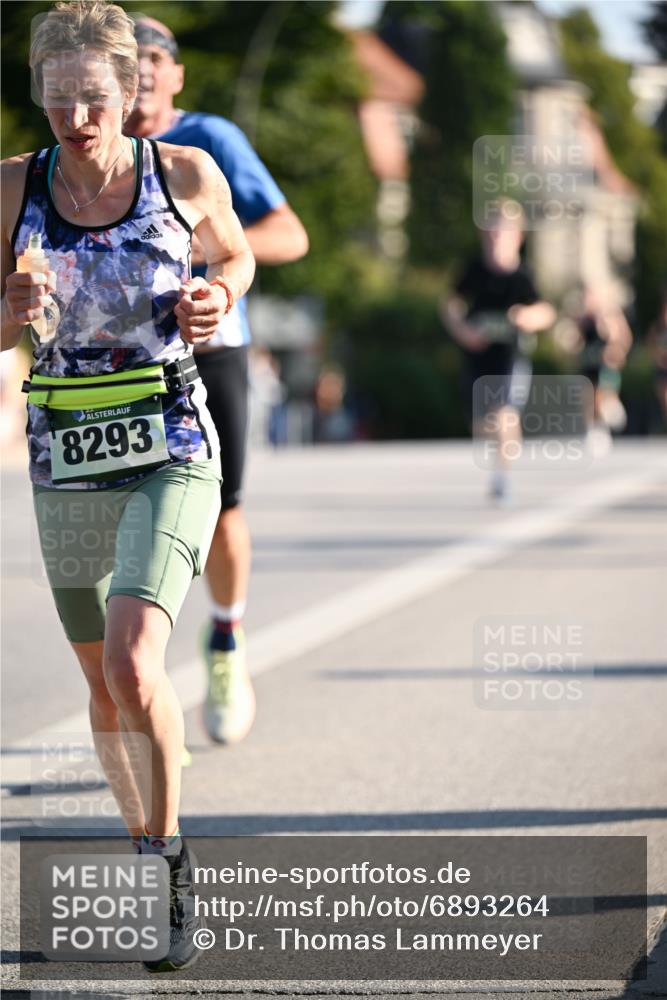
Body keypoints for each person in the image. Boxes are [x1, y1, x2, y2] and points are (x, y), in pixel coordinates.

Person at [0, 0, 255, 972]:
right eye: (57, 98)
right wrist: (9, 309)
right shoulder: (12, 187)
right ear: (41, 93)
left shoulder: (180, 171)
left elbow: (231, 250)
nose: (76, 117)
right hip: (64, 452)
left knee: (132, 663)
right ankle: (140, 831)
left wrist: (217, 291)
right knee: (99, 689)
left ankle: (163, 854)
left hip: (168, 438)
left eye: (93, 97)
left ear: (129, 87)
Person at [124, 16, 309, 745]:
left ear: (174, 75)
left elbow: (289, 235)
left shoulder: (210, 140)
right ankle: (141, 682)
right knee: (126, 516)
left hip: (212, 344)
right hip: (119, 355)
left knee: (222, 510)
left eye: (150, 60)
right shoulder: (87, 144)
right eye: (122, 61)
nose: (135, 74)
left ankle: (226, 642)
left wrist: (205, 256)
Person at [440, 202, 555, 503]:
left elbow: (546, 311)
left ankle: (502, 477)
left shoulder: (523, 276)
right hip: (477, 359)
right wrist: (464, 332)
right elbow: (450, 307)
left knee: (505, 413)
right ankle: (501, 457)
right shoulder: (473, 270)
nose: (495, 237)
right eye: (490, 230)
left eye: (502, 231)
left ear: (517, 235)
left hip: (510, 358)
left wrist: (526, 317)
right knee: (481, 424)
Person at [573, 283, 633, 455]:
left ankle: (608, 418)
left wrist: (604, 323)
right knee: (587, 397)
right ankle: (593, 430)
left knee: (601, 396)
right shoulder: (583, 319)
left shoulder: (610, 314)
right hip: (589, 363)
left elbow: (621, 338)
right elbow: (578, 342)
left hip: (606, 364)